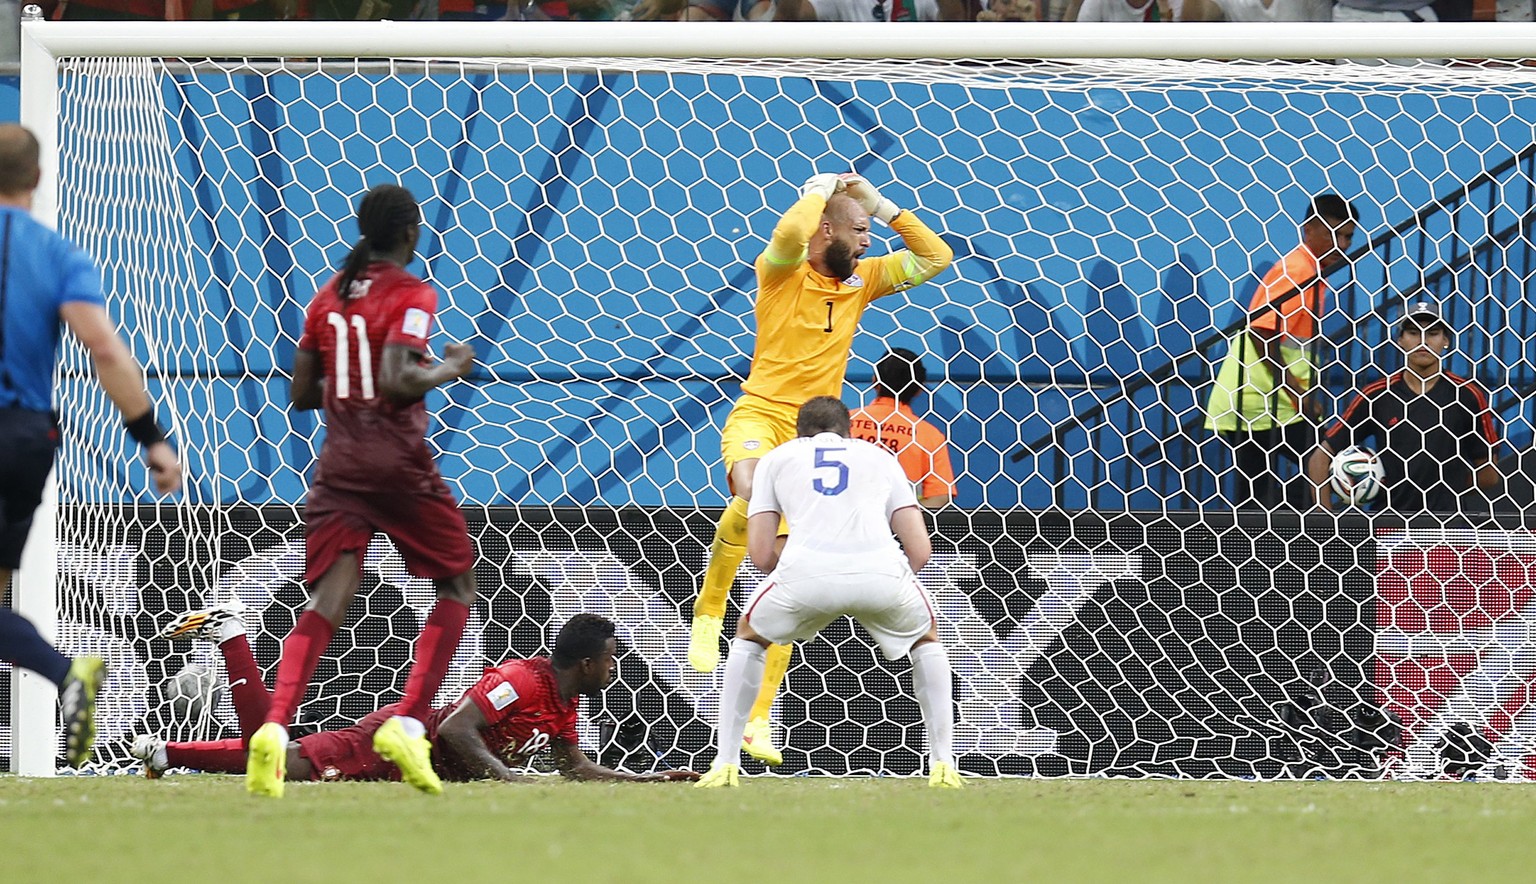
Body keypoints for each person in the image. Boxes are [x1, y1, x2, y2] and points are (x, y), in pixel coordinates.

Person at [686, 171, 953, 769]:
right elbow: (788, 232)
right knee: (751, 491)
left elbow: (936, 256)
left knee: (790, 562)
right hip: (759, 414)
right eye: (857, 230)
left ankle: (758, 719)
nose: (867, 242)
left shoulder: (863, 282)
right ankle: (707, 616)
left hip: (813, 433)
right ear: (824, 229)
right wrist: (819, 187)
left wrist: (879, 206)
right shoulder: (779, 275)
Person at [246, 183, 479, 799]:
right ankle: (407, 719)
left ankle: (273, 725)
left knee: (328, 596)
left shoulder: (327, 298)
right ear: (410, 233)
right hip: (398, 464)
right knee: (456, 581)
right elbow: (399, 381)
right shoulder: (413, 294)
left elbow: (300, 394)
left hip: (339, 467)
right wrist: (449, 367)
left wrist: (346, 383)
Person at [0, 123, 183, 768]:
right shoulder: (58, 255)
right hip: (26, 438)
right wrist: (151, 439)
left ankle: (64, 673)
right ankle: (66, 677)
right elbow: (105, 349)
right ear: (38, 179)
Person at [695, 397, 961, 788]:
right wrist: (887, 574)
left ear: (799, 432)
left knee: (748, 636)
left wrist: (791, 576)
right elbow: (921, 550)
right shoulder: (880, 458)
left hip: (803, 575)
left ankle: (725, 763)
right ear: (849, 430)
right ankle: (943, 764)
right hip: (880, 573)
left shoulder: (777, 459)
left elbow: (759, 553)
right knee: (927, 639)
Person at [135, 606, 699, 785]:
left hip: (419, 766)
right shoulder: (522, 683)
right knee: (276, 765)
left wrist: (649, 780)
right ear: (585, 662)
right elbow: (456, 727)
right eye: (610, 660)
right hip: (401, 741)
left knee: (282, 762)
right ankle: (234, 638)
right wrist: (503, 778)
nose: (614, 669)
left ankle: (167, 754)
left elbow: (574, 767)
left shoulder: (563, 704)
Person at [1204, 194, 1360, 510]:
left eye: (1348, 236)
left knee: (1267, 494)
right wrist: (1298, 392)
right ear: (1309, 231)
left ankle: (1280, 543)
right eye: (1335, 234)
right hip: (1258, 402)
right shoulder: (1297, 269)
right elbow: (1262, 331)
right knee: (1316, 469)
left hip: (1274, 404)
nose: (1342, 244)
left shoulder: (1312, 271)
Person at [1306, 301, 1501, 513]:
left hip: (1448, 529)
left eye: (1433, 333)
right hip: (1389, 528)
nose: (1423, 340)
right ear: (1400, 340)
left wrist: (1448, 488)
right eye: (1413, 332)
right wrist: (1324, 519)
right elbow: (1320, 456)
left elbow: (1489, 474)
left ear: (1445, 341)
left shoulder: (1467, 395)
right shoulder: (1378, 395)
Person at [850, 347, 956, 509]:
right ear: (919, 390)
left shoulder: (845, 421)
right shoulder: (929, 435)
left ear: (874, 381)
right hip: (899, 531)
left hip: (845, 528)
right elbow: (940, 496)